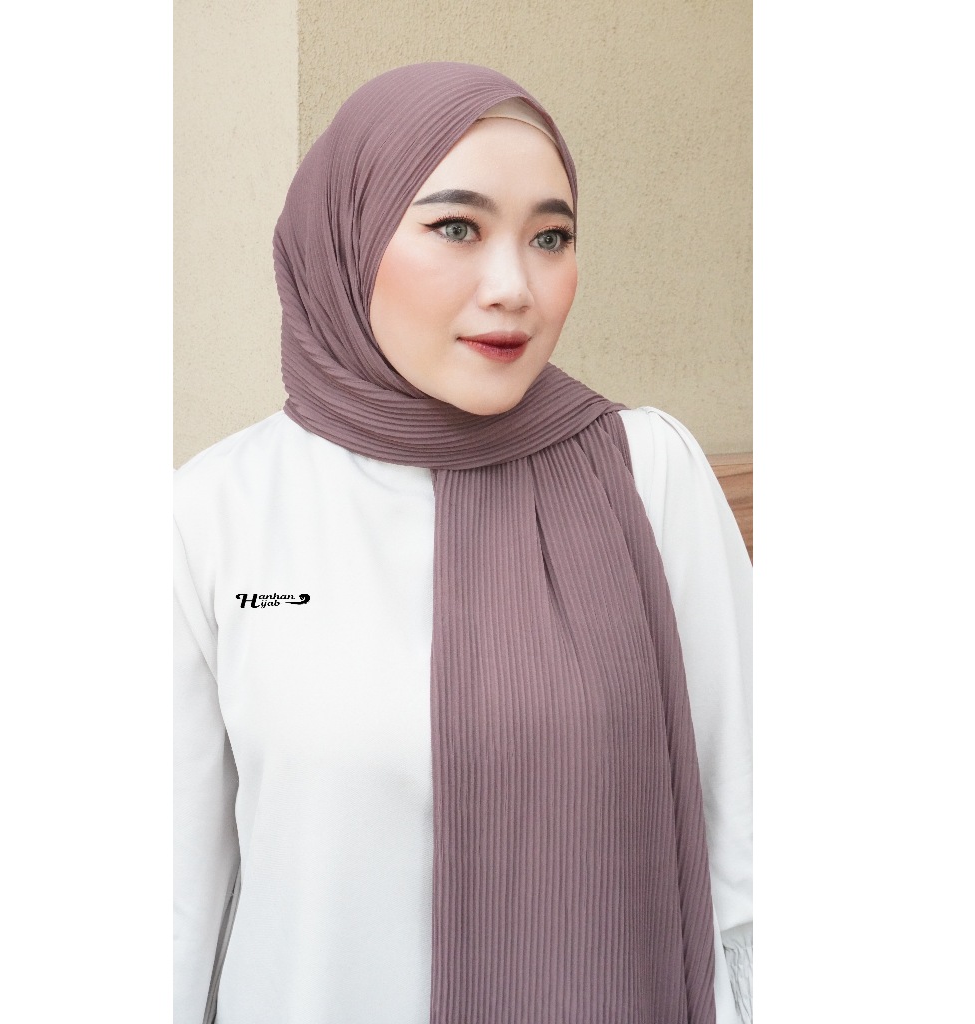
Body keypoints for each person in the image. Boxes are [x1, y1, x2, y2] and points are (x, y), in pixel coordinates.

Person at [174, 62, 752, 1024]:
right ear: (347, 237)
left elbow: (753, 842)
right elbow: (173, 906)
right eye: (456, 228)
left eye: (551, 237)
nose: (514, 288)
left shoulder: (647, 471)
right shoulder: (214, 512)